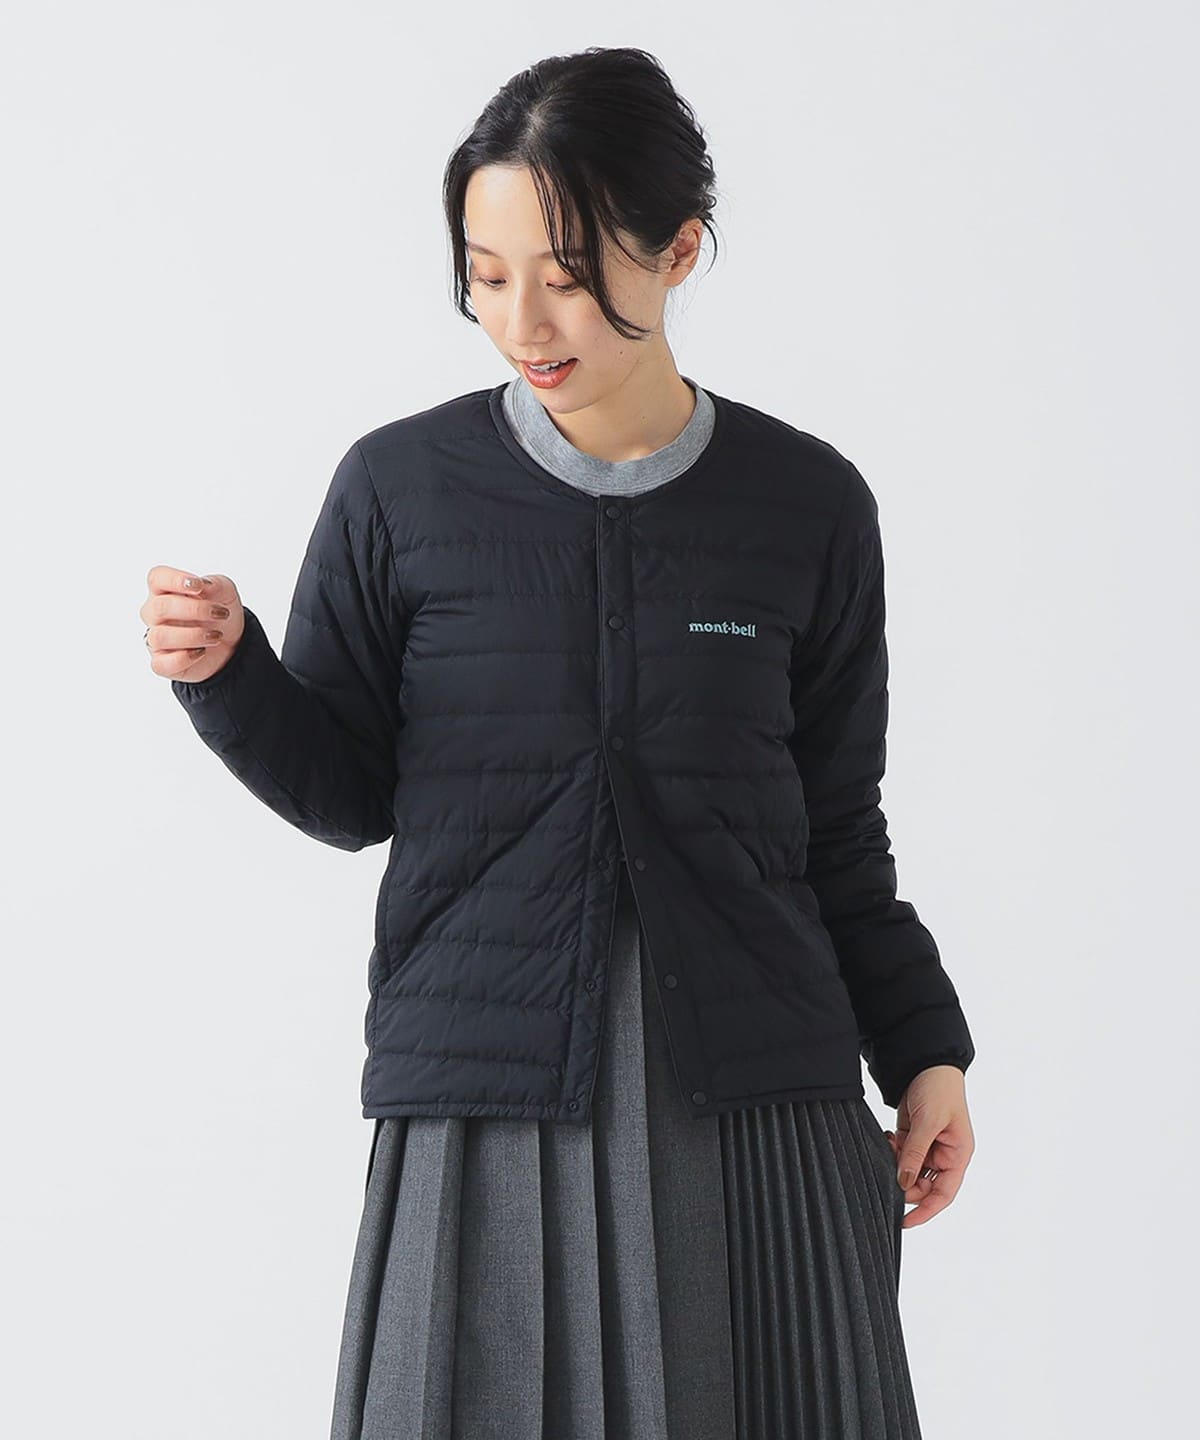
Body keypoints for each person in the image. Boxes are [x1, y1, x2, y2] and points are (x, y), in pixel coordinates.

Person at [143, 45, 976, 1440]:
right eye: (486, 275)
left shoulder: (807, 505)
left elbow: (837, 825)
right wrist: (231, 676)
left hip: (761, 1113)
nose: (523, 320)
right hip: (483, 1101)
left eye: (570, 273)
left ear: (681, 251)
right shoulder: (399, 491)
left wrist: (925, 1051)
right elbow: (349, 791)